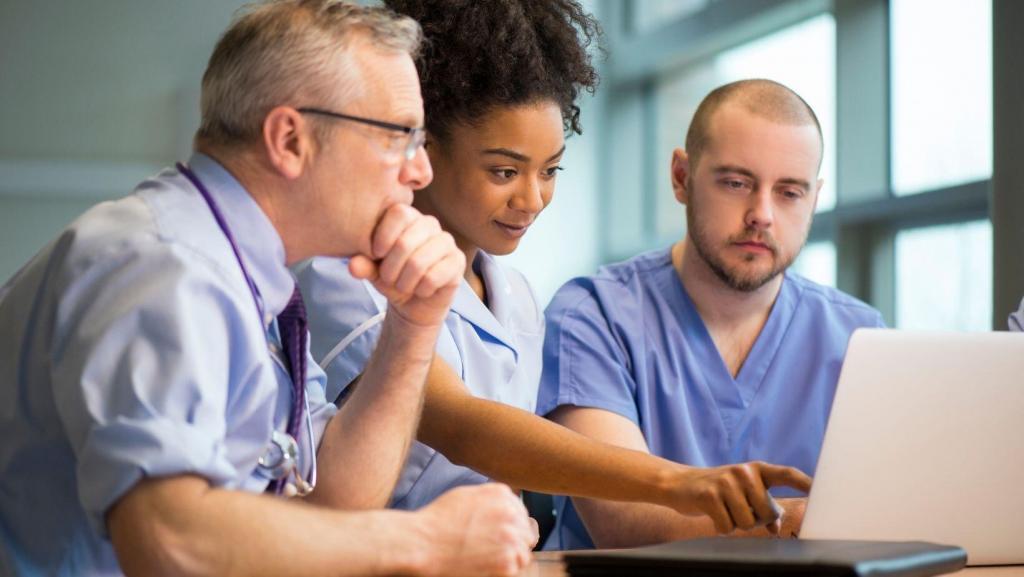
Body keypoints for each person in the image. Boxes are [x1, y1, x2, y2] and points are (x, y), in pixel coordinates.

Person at [0, 2, 537, 575]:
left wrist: (415, 323)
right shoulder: (166, 266)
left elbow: (334, 502)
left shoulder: (251, 276)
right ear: (289, 139)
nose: (419, 171)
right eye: (399, 136)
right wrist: (426, 541)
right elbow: (165, 536)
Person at [298, 0, 810, 544]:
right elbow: (463, 426)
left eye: (550, 170)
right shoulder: (347, 273)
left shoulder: (514, 297)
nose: (533, 197)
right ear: (423, 149)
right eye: (504, 170)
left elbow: (504, 477)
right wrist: (677, 481)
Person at [536, 79, 887, 549]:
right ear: (682, 177)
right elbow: (624, 522)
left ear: (815, 199)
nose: (761, 214)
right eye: (737, 183)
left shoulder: (861, 337)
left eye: (789, 192)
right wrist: (798, 520)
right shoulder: (594, 316)